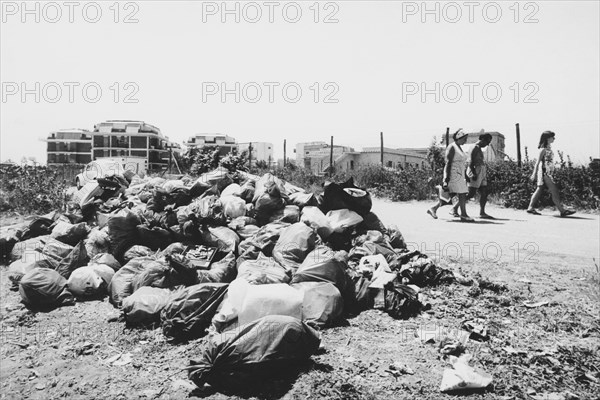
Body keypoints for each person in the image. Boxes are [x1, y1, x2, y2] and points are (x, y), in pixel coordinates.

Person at [427, 129, 473, 222]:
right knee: (462, 193)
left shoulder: (459, 147)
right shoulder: (452, 147)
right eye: (464, 138)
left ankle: (433, 208)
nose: (466, 140)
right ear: (459, 138)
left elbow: (461, 164)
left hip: (459, 175)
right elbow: (448, 163)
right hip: (453, 174)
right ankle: (463, 215)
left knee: (449, 196)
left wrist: (465, 175)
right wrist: (446, 179)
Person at [526, 131, 575, 217]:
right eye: (552, 137)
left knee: (539, 189)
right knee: (554, 190)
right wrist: (534, 173)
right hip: (545, 173)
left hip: (547, 172)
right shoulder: (543, 149)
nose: (554, 139)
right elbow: (538, 162)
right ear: (548, 138)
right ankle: (562, 211)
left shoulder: (548, 149)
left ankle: (530, 208)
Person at [450, 132, 494, 219]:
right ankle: (454, 208)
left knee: (484, 192)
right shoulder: (474, 147)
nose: (488, 144)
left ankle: (482, 212)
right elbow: (470, 161)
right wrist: (473, 173)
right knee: (470, 194)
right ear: (482, 139)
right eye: (487, 142)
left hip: (481, 170)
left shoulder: (479, 148)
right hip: (475, 170)